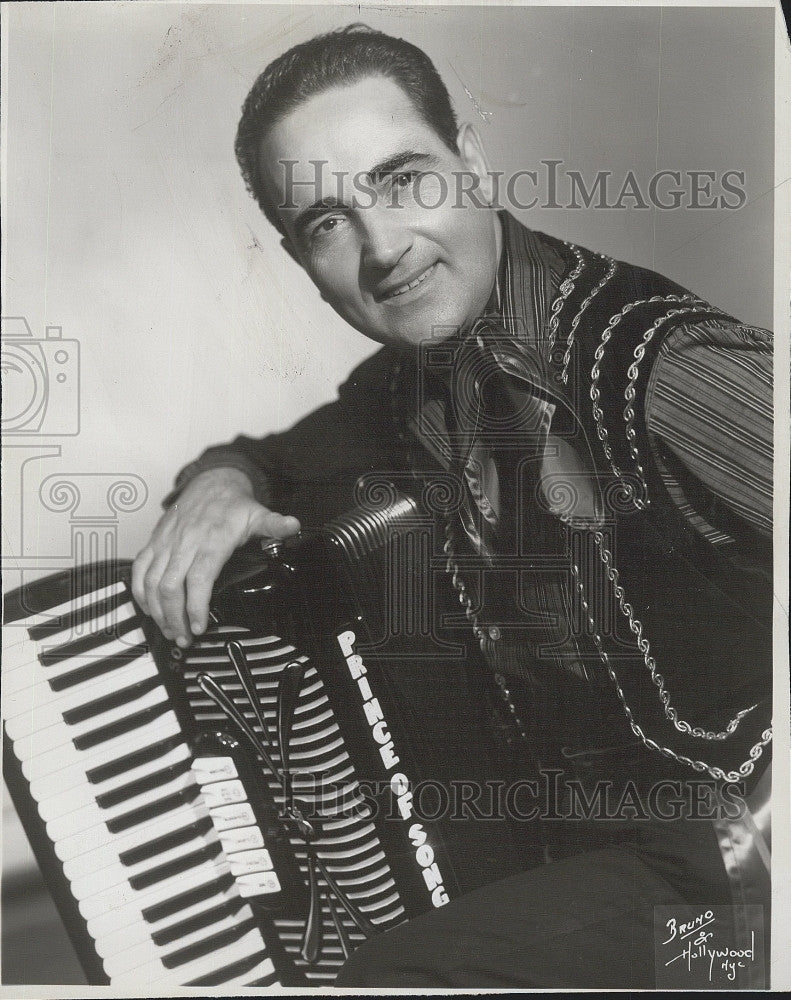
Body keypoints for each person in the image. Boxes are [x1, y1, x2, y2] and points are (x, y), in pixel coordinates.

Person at [131, 24, 773, 988]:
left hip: (741, 924)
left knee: (395, 982)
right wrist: (223, 481)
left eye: (401, 179)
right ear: (297, 255)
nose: (382, 248)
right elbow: (277, 455)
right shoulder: (409, 387)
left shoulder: (659, 370)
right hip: (607, 878)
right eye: (326, 223)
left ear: (469, 156)